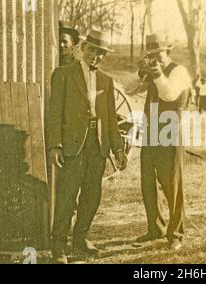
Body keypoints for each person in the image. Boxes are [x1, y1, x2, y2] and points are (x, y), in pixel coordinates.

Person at [47, 29, 128, 264]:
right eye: (92, 50)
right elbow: (54, 114)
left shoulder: (107, 80)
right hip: (72, 145)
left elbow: (111, 119)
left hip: (98, 144)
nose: (96, 56)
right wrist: (55, 145)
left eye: (101, 53)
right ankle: (59, 247)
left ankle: (81, 238)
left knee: (92, 197)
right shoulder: (62, 74)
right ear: (81, 48)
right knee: (67, 196)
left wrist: (119, 149)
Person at [134, 33, 191, 251]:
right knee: (148, 182)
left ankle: (176, 234)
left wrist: (156, 73)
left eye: (158, 54)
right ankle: (154, 227)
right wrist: (142, 72)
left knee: (172, 184)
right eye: (150, 55)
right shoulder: (151, 70)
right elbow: (133, 89)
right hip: (150, 130)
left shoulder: (179, 70)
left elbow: (169, 94)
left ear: (168, 52)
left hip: (170, 130)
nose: (155, 59)